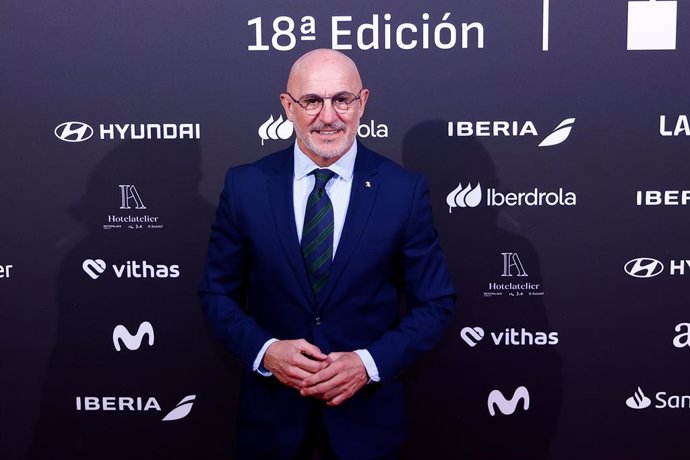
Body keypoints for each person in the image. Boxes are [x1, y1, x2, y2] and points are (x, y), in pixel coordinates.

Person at [199, 48, 455, 460]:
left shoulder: (402, 191)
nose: (328, 116)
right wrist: (265, 351)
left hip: (368, 424)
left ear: (363, 102)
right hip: (271, 424)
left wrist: (368, 363)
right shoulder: (246, 186)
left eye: (342, 99)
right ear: (287, 106)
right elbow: (216, 294)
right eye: (312, 101)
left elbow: (436, 302)